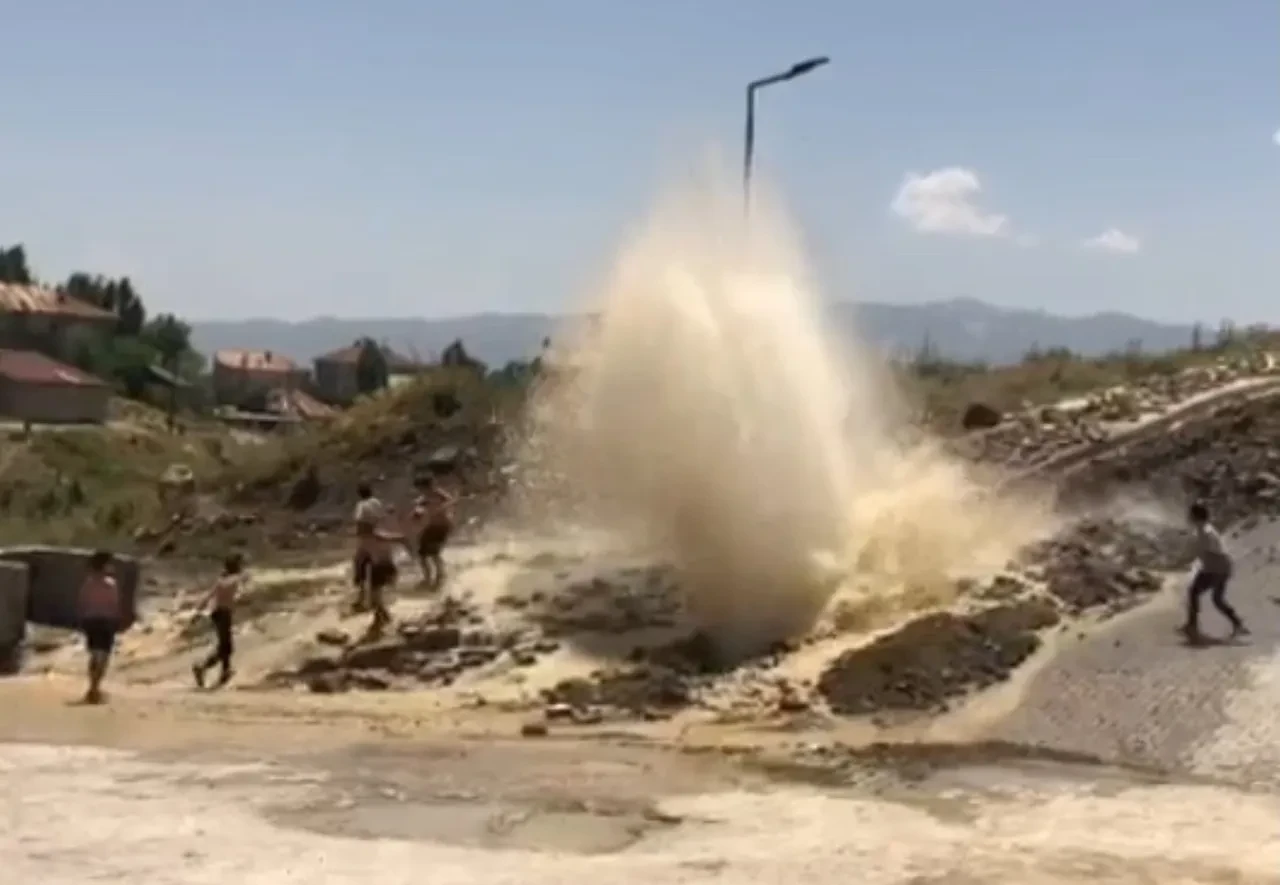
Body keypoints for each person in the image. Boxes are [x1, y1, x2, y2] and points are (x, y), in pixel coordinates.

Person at [1181, 501, 1249, 643]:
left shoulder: (1206, 532)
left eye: (1191, 515)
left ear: (1196, 516)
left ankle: (1192, 626)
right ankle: (1237, 623)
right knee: (1217, 599)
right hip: (1221, 568)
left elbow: (1212, 550)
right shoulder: (1204, 530)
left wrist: (1195, 558)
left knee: (1194, 592)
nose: (1189, 517)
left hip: (1215, 568)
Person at [191, 553, 245, 688]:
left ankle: (225, 671)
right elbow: (240, 592)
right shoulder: (235, 579)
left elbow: (209, 595)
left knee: (225, 646)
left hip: (216, 613)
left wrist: (197, 610)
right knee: (226, 647)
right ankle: (202, 667)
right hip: (224, 614)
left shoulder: (222, 580)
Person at [78, 550, 121, 705]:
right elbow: (114, 605)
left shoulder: (88, 583)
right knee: (104, 656)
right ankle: (95, 688)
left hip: (90, 621)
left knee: (94, 655)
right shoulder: (111, 585)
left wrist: (82, 620)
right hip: (106, 621)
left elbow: (82, 603)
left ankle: (92, 687)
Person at [410, 474, 457, 590]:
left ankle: (440, 577)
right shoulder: (423, 499)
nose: (420, 490)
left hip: (442, 526)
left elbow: (452, 501)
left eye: (421, 488)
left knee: (434, 553)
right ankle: (428, 578)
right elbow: (418, 509)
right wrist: (416, 514)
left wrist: (441, 507)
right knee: (422, 554)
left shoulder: (438, 493)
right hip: (432, 526)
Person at [352, 483, 387, 611]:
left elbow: (361, 522)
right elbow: (382, 518)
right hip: (378, 539)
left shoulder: (361, 505)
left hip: (366, 541)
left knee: (360, 571)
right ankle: (375, 603)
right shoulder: (377, 502)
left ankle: (361, 600)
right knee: (376, 573)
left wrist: (358, 533)